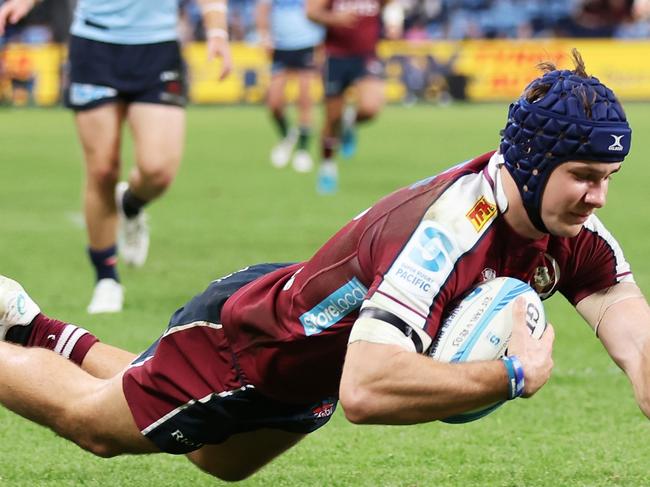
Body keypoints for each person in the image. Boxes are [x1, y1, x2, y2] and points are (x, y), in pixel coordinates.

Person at [1, 50, 649, 481]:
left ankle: (32, 325)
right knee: (95, 426)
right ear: (533, 164)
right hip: (254, 345)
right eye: (585, 177)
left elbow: (622, 307)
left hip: (309, 368)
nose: (598, 197)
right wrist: (510, 373)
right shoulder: (448, 231)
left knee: (217, 458)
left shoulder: (565, 223)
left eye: (608, 178)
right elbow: (366, 390)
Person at [0, 0, 233, 314]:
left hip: (157, 47)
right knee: (102, 170)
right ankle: (106, 278)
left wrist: (217, 30)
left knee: (158, 171)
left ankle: (131, 205)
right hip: (95, 48)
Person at [306, 0, 404, 193]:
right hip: (335, 56)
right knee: (332, 118)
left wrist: (393, 23)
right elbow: (311, 13)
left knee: (370, 107)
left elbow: (391, 5)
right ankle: (327, 167)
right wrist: (335, 18)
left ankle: (349, 123)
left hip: (367, 54)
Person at [255, 0, 324, 173]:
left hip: (308, 43)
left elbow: (322, 10)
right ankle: (287, 135)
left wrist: (323, 43)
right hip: (280, 46)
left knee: (305, 98)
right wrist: (264, 36)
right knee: (274, 103)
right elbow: (263, 9)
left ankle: (303, 150)